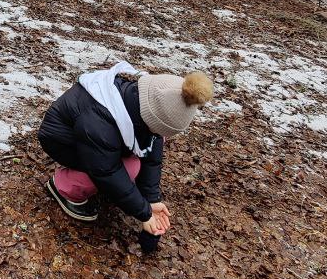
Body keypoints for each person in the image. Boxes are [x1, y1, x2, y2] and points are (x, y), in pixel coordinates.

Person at [37, 61, 214, 253]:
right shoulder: (99, 124)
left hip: (93, 141)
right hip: (62, 142)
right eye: (158, 130)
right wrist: (144, 213)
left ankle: (97, 182)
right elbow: (107, 171)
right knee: (128, 169)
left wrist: (151, 199)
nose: (158, 135)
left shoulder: (143, 104)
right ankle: (63, 187)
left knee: (137, 159)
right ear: (152, 120)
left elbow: (151, 151)